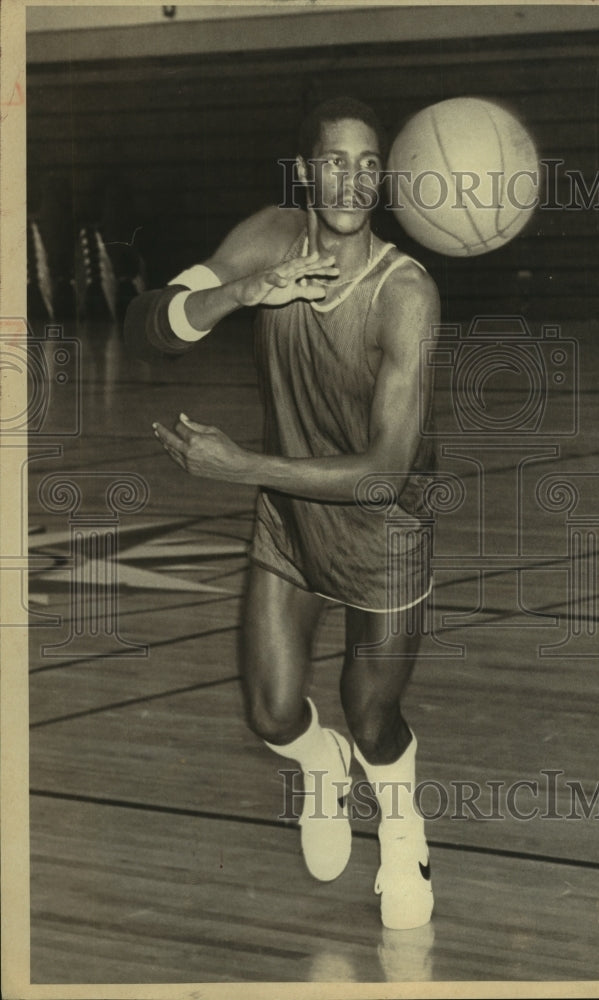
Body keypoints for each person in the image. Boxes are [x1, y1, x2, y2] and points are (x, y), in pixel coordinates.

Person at [124, 97, 439, 930]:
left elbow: (382, 474)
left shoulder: (404, 293)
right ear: (305, 172)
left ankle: (402, 831)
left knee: (372, 715)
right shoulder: (268, 235)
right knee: (269, 712)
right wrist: (241, 290)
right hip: (291, 523)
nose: (353, 179)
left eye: (369, 164)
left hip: (382, 531)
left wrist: (240, 467)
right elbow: (147, 327)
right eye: (336, 161)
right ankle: (318, 767)